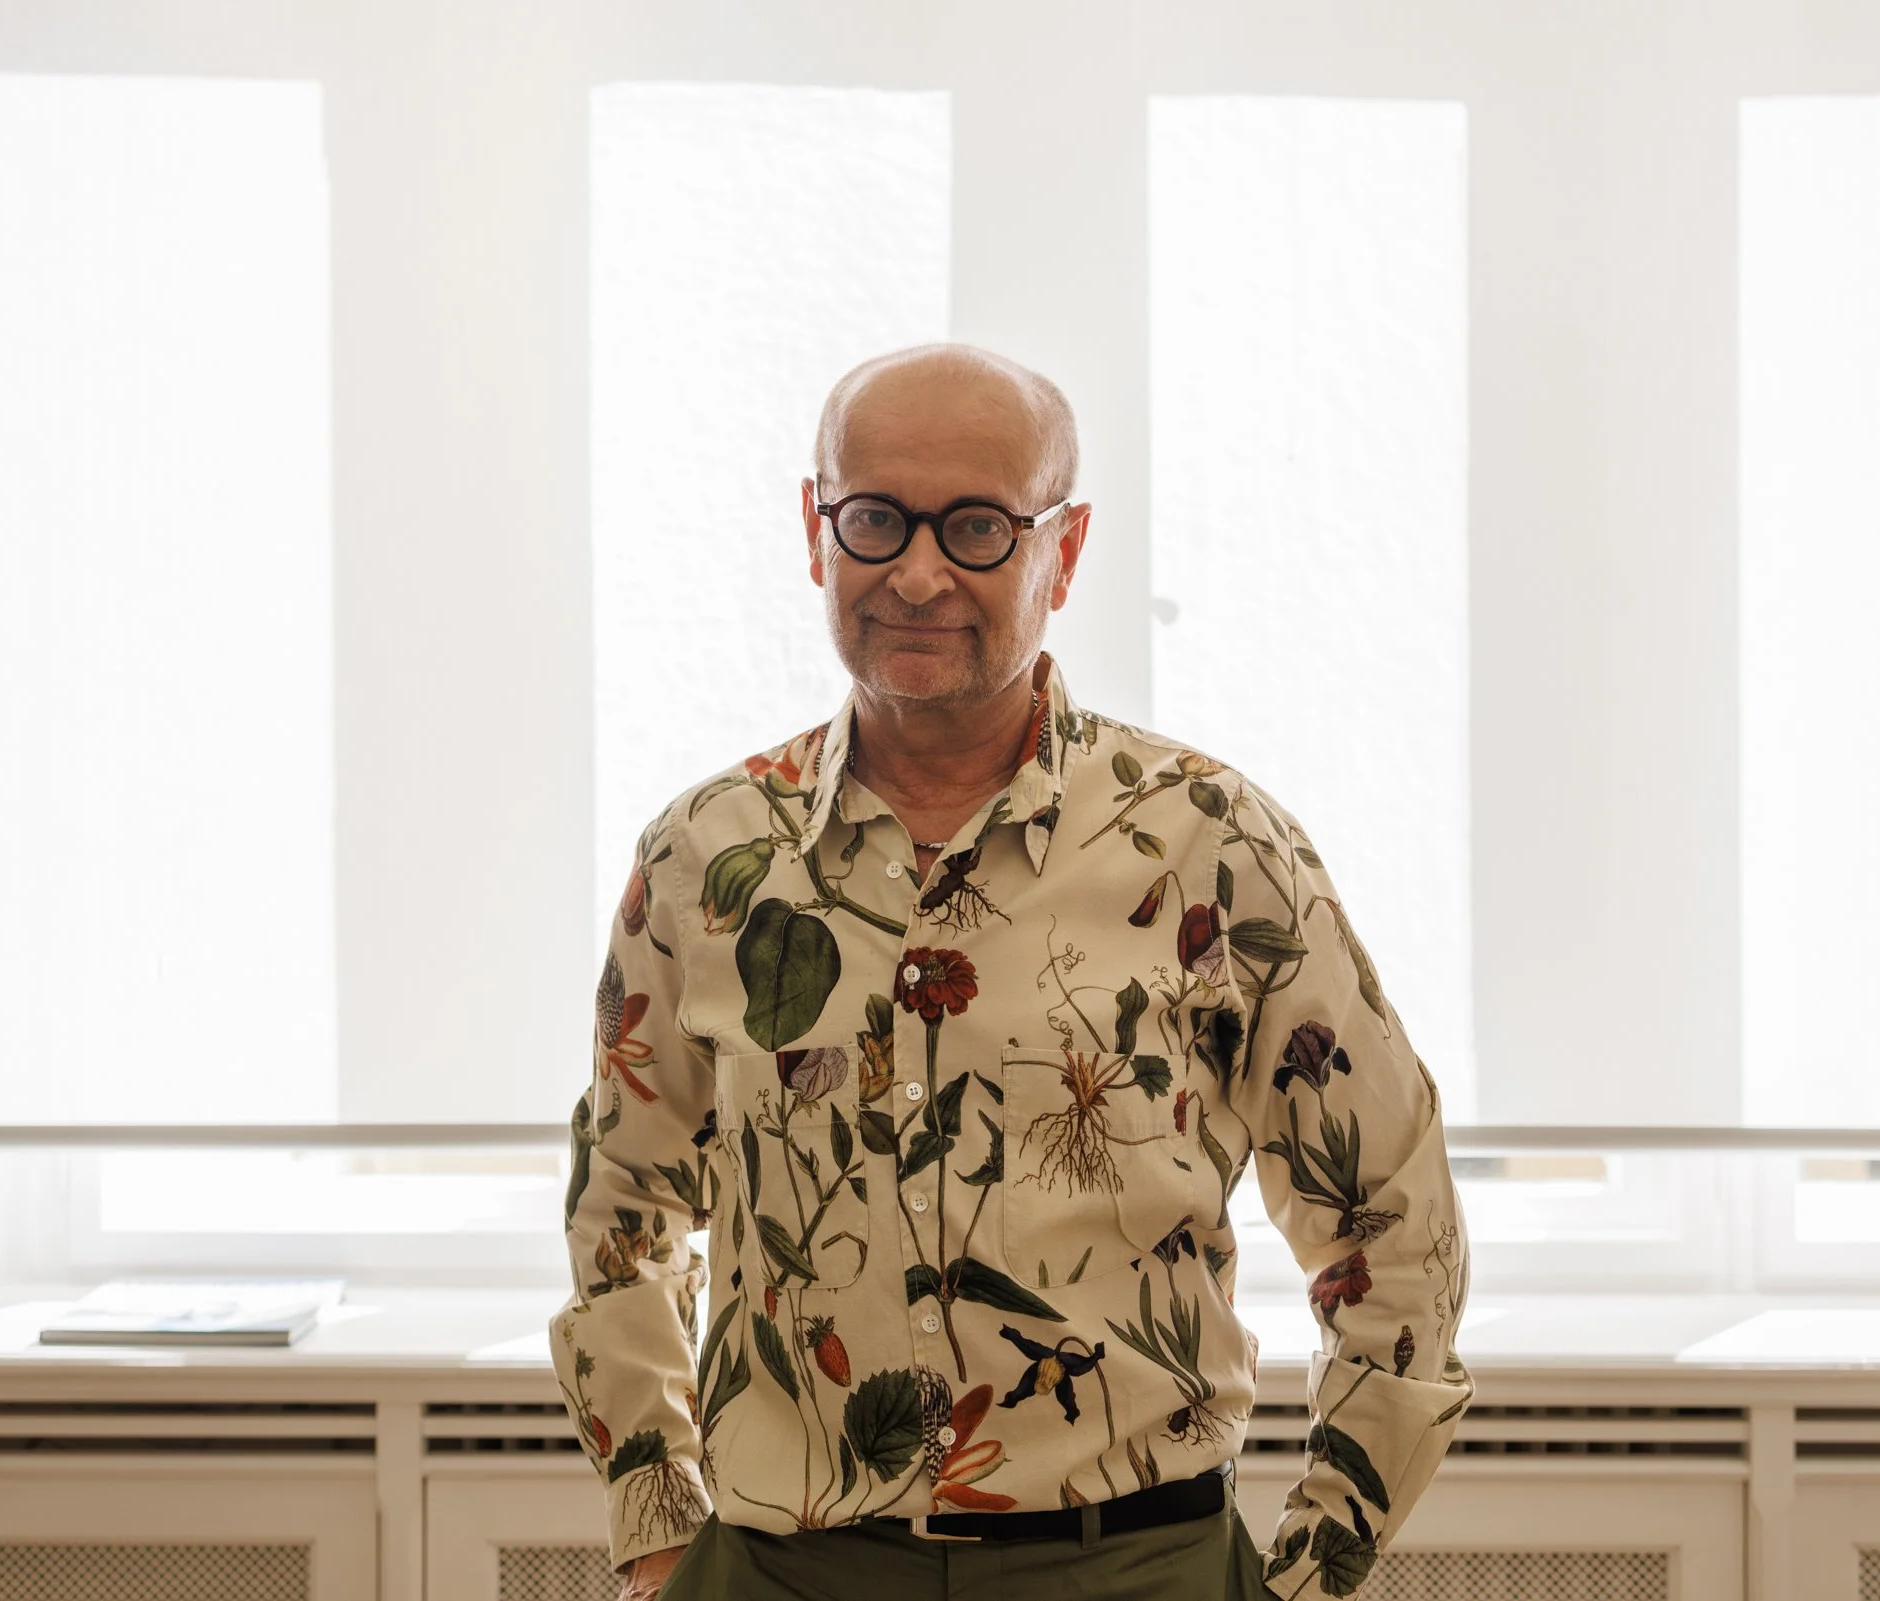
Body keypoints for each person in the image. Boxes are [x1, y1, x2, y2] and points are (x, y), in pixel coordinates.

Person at [553, 343, 1475, 1601]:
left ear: (1066, 548)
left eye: (979, 526)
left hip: (1137, 1567)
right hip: (781, 1571)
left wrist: (1316, 1572)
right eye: (875, 518)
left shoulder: (1210, 843)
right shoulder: (706, 858)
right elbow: (623, 1207)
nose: (917, 572)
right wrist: (658, 1534)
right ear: (817, 531)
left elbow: (1391, 1218)